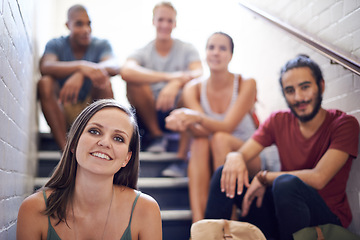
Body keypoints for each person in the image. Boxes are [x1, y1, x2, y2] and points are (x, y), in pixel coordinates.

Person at [204, 55, 360, 240]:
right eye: (290, 90)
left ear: (321, 86)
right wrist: (234, 157)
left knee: (285, 183)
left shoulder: (344, 124)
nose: (299, 97)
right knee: (225, 172)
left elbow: (319, 178)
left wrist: (264, 178)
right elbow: (243, 153)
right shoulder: (279, 120)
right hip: (284, 214)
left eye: (305, 87)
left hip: (325, 220)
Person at [17, 99, 162, 240]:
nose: (104, 143)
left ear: (127, 158)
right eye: (95, 131)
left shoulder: (145, 210)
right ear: (73, 143)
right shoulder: (34, 209)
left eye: (118, 138)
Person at [165, 32, 260, 222]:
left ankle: (227, 222)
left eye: (222, 48)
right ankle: (198, 227)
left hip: (248, 155)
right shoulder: (193, 88)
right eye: (211, 48)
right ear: (205, 53)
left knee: (220, 138)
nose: (216, 53)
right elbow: (200, 130)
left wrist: (195, 117)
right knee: (200, 141)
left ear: (231, 55)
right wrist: (183, 122)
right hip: (212, 154)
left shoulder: (246, 83)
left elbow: (227, 126)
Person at [120, 1, 203, 160]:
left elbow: (199, 72)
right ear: (153, 21)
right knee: (133, 83)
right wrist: (170, 77)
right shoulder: (143, 51)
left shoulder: (187, 48)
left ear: (175, 23)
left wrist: (176, 83)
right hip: (149, 111)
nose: (165, 24)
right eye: (161, 20)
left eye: (169, 20)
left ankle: (182, 156)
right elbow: (126, 71)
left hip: (177, 109)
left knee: (192, 88)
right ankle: (157, 135)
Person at [37, 4, 119, 151]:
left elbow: (115, 66)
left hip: (90, 109)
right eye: (79, 24)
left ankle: (103, 144)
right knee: (45, 83)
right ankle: (66, 150)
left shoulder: (101, 44)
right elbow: (46, 66)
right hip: (62, 108)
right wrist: (81, 66)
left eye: (89, 24)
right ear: (68, 25)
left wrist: (83, 72)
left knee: (103, 82)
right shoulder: (56, 44)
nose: (86, 29)